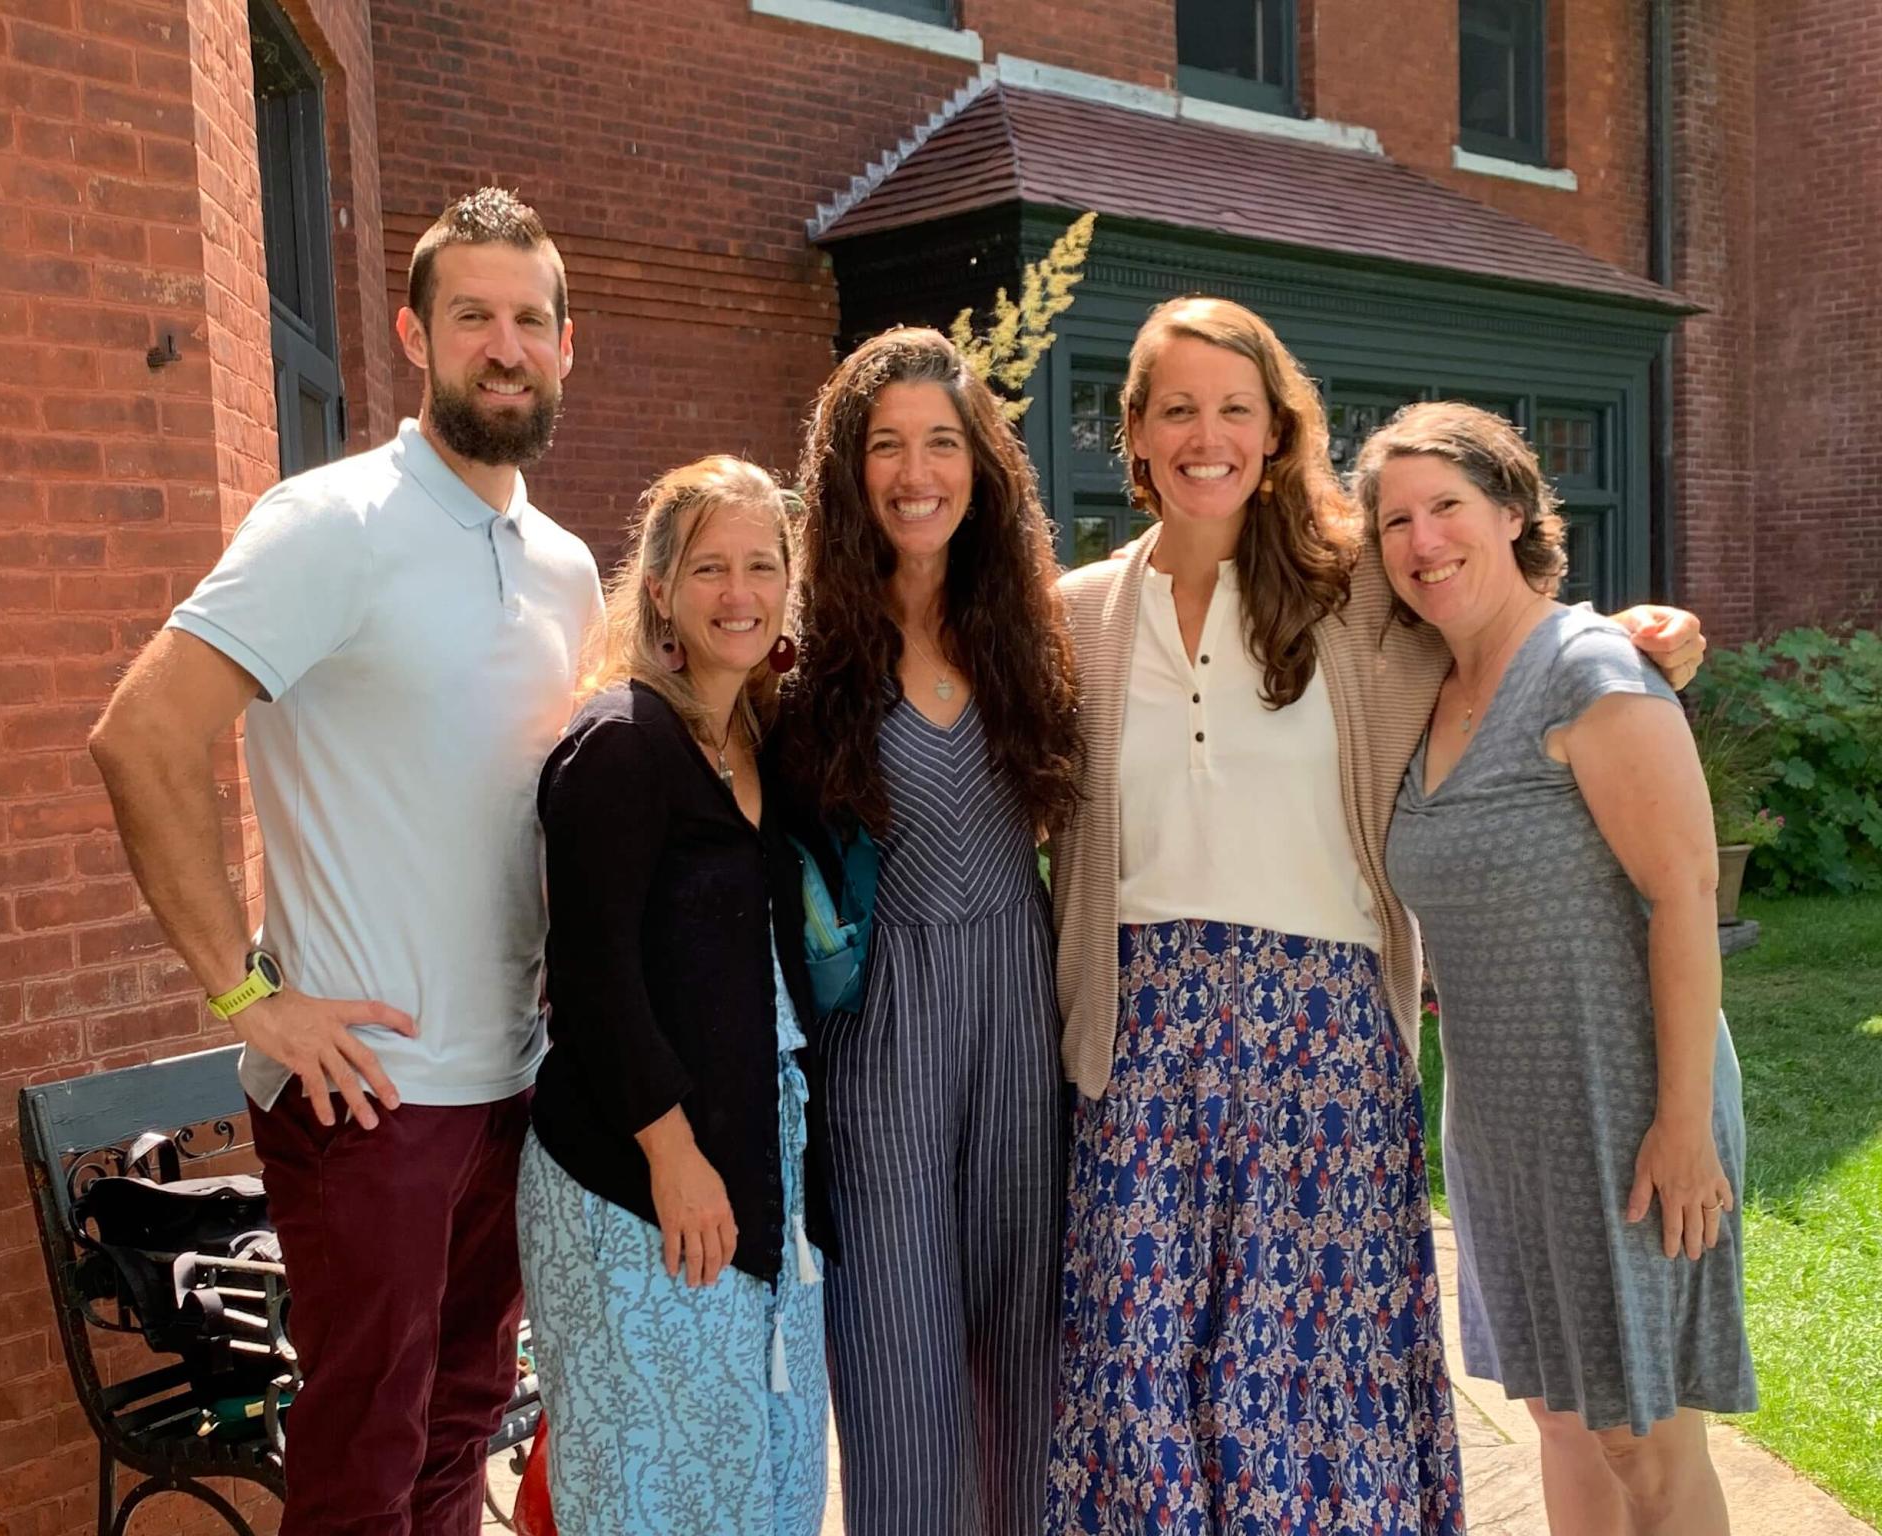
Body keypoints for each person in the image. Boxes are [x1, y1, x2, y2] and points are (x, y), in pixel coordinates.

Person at [1044, 295, 1705, 1535]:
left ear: (1279, 430)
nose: (1208, 434)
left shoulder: (1355, 600)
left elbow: (1502, 636)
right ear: (1133, 435)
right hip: (1138, 1046)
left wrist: (1625, 640)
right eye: (1177, 408)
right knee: (1144, 1380)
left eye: (1238, 407)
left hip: (1326, 1042)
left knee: (1314, 1384)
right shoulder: (1074, 616)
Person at [88, 188, 601, 1536]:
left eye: (529, 320)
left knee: (461, 1429)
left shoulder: (565, 569)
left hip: (513, 1085)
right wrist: (247, 997)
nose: (504, 344)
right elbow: (141, 737)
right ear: (413, 335)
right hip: (365, 1097)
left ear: (565, 345)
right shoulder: (333, 524)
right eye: (473, 316)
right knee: (361, 1461)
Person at [1364, 402, 1753, 1536]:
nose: (1423, 541)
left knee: (1644, 1435)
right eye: (1396, 521)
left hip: (1626, 1107)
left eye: (1448, 508)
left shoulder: (1589, 668)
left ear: (1517, 513)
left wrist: (1682, 1126)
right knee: (1560, 1418)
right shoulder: (1423, 691)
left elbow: (1684, 898)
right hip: (1502, 1120)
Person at [779, 327, 1082, 1536]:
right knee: (899, 1369)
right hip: (880, 1038)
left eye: (943, 443)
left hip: (1018, 1013)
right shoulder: (801, 653)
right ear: (850, 471)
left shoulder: (1038, 625)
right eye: (887, 445)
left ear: (982, 467)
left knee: (1032, 1365)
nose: (917, 473)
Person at [521, 455, 832, 1535]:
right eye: (710, 568)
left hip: (757, 1164)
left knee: (761, 1479)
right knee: (649, 1494)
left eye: (762, 565)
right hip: (635, 1183)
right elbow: (593, 980)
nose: (739, 594)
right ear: (660, 587)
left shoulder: (758, 737)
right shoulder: (622, 745)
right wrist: (673, 1155)